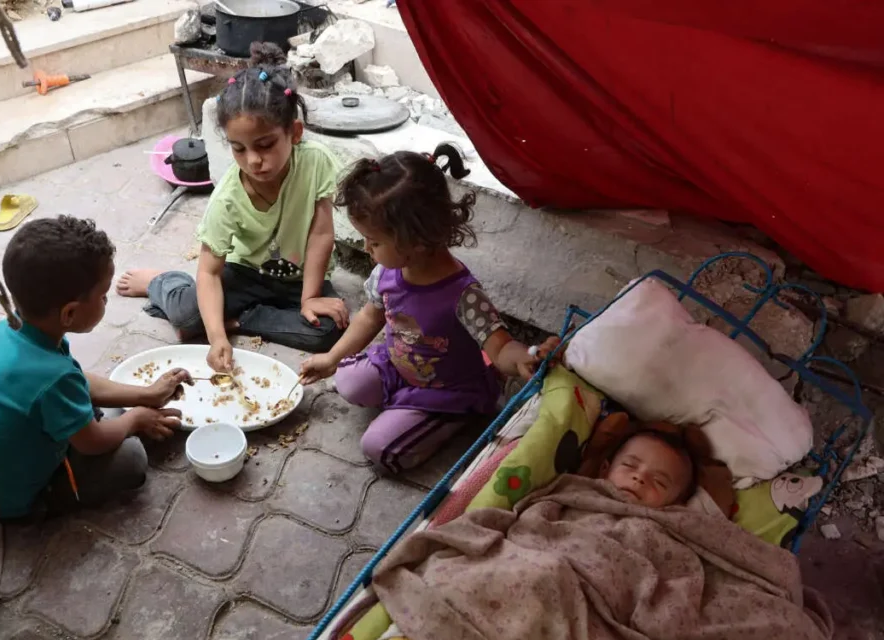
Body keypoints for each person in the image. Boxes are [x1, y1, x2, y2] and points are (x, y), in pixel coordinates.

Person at [299, 144, 547, 472]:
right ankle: (401, 405)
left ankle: (456, 417)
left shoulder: (463, 295)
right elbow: (370, 315)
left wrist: (526, 357)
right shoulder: (388, 270)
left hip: (447, 389)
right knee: (348, 380)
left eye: (374, 242)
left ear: (416, 241)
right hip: (400, 365)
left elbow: (502, 349)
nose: (366, 248)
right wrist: (332, 358)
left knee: (379, 450)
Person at [116, 42, 348, 371]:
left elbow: (321, 234)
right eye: (239, 149)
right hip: (245, 272)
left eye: (265, 145)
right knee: (187, 314)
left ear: (294, 133)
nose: (254, 160)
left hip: (300, 277)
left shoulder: (316, 162)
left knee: (328, 330)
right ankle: (164, 282)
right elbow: (210, 271)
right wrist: (216, 339)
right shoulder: (227, 198)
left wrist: (310, 298)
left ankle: (238, 318)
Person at [0, 216, 189, 520]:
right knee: (131, 459)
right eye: (102, 297)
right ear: (70, 313)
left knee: (97, 410)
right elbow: (93, 442)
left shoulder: (12, 329)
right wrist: (136, 419)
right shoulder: (52, 377)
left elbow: (75, 380)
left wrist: (147, 395)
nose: (106, 302)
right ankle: (47, 498)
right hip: (3, 500)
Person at [599, 431, 698, 508]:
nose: (639, 477)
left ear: (675, 503)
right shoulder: (585, 492)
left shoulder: (672, 524)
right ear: (604, 469)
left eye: (659, 482)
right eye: (628, 465)